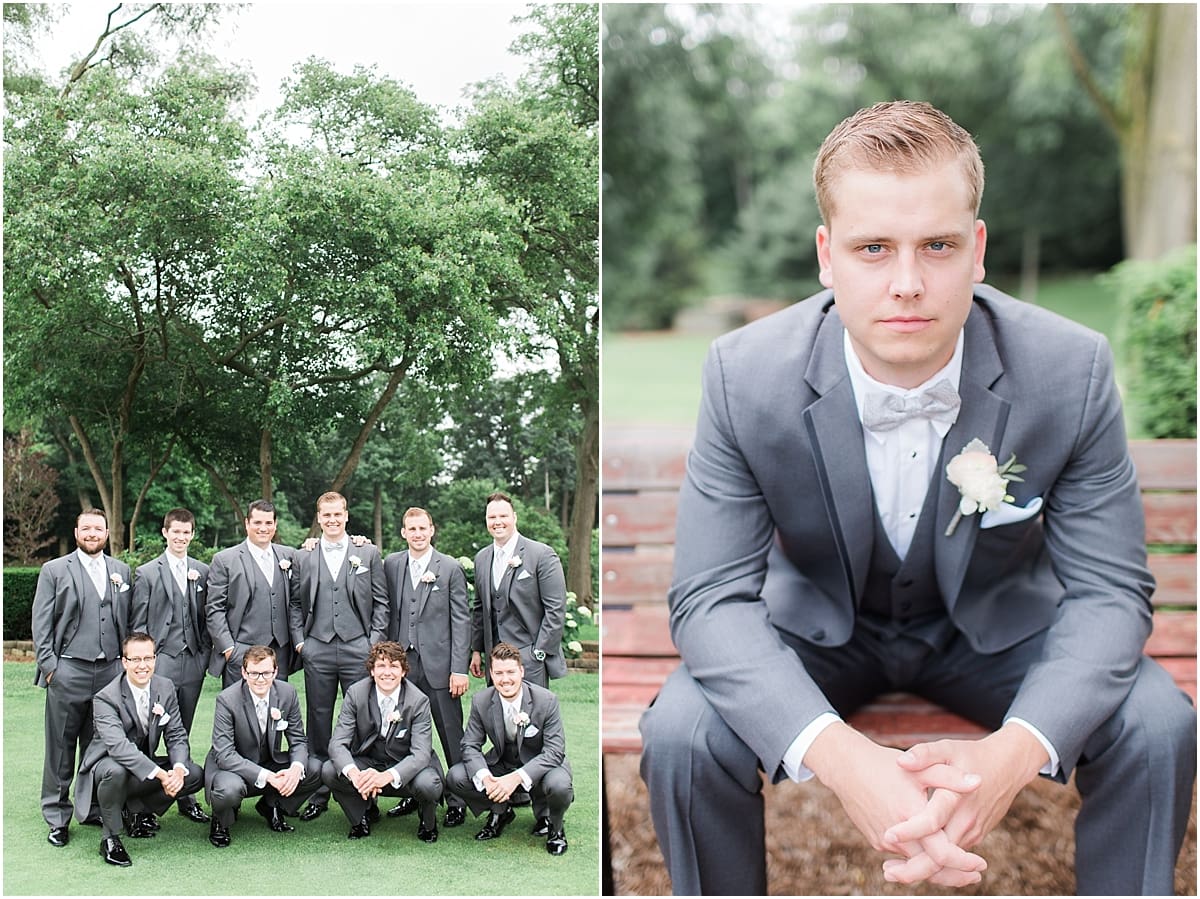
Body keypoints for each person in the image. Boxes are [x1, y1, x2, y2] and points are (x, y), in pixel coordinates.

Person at [638, 100, 1196, 895]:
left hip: (994, 635)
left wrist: (1012, 755)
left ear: (977, 249)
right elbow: (709, 599)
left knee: (1156, 721)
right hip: (821, 631)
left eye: (936, 245)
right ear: (828, 256)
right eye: (874, 248)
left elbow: (1111, 592)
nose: (907, 283)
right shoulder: (744, 375)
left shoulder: (1069, 371)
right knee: (685, 728)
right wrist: (843, 758)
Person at [32, 508, 133, 848]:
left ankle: (88, 808)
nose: (92, 534)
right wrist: (50, 668)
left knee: (98, 746)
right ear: (76, 532)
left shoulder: (121, 571)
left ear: (107, 532)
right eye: (86, 528)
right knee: (61, 746)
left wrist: (123, 666)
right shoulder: (55, 570)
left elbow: (127, 622)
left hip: (109, 672)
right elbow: (41, 623)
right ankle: (57, 817)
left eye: (98, 529)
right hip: (68, 669)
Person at [291, 491, 389, 821]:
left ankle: (363, 792)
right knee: (318, 719)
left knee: (362, 720)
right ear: (318, 518)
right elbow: (294, 604)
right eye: (326, 515)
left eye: (338, 514)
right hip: (317, 646)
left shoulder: (367, 552)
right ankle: (319, 790)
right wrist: (301, 642)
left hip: (358, 648)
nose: (332, 520)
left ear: (346, 516)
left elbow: (381, 603)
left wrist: (372, 645)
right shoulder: (304, 555)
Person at [72, 632, 203, 866]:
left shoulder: (165, 686)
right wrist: (163, 775)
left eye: (148, 658)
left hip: (142, 768)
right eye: (135, 660)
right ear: (124, 662)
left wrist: (178, 770)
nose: (143, 666)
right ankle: (110, 838)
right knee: (117, 771)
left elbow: (176, 734)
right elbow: (119, 748)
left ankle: (136, 811)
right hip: (107, 769)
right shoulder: (105, 698)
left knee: (193, 775)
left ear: (155, 659)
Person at [447, 642, 573, 856]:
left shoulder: (546, 700)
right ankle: (501, 811)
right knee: (456, 776)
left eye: (511, 672)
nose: (505, 679)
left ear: (521, 671)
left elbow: (554, 751)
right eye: (499, 673)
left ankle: (555, 827)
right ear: (492, 674)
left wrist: (515, 779)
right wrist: (487, 779)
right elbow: (470, 745)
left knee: (559, 784)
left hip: (540, 766)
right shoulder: (481, 701)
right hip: (502, 763)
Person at [130, 507, 212, 824]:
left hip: (192, 661)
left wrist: (204, 654)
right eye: (175, 531)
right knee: (148, 733)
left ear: (192, 534)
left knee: (182, 731)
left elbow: (207, 619)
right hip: (159, 662)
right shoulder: (148, 573)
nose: (181, 537)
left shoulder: (202, 572)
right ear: (165, 532)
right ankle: (142, 802)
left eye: (186, 532)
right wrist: (143, 663)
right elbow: (138, 625)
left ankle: (185, 796)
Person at [322, 641, 443, 843]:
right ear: (372, 670)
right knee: (329, 770)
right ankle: (361, 816)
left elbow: (421, 754)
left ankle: (427, 821)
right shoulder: (355, 693)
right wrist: (355, 775)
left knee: (428, 784)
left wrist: (385, 777)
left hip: (405, 765)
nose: (387, 673)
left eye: (394, 666)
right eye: (381, 666)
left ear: (404, 671)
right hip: (368, 761)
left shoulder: (418, 700)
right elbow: (337, 743)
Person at [204, 644, 323, 848]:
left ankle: (271, 805)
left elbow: (297, 740)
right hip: (232, 768)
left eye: (266, 673)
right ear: (243, 672)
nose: (260, 679)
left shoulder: (287, 693)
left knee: (314, 769)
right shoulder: (227, 699)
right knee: (229, 790)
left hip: (269, 761)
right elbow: (225, 755)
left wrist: (295, 769)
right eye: (254, 673)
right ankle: (221, 821)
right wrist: (268, 777)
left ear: (275, 671)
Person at [469, 492, 566, 688]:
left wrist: (539, 652)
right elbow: (479, 609)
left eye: (503, 516)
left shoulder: (541, 554)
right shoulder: (482, 558)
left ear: (514, 517)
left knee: (531, 716)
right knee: (497, 716)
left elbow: (555, 609)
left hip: (529, 658)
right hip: (495, 660)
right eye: (492, 517)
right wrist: (477, 650)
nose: (497, 522)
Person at [205, 499, 299, 687]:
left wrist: (359, 543)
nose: (263, 528)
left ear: (275, 525)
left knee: (276, 711)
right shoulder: (225, 560)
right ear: (247, 523)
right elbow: (214, 609)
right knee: (240, 712)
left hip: (279, 653)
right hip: (242, 651)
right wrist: (230, 648)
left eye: (268, 523)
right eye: (257, 522)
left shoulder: (290, 556)